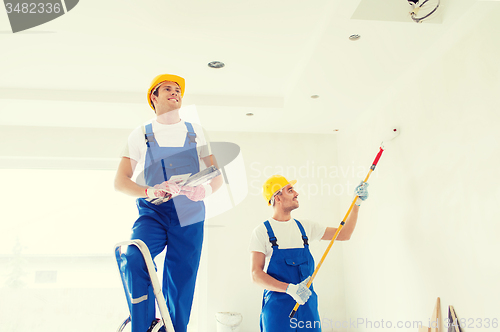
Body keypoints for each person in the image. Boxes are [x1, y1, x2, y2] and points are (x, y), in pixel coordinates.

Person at [115, 74, 223, 332]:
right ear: (154, 96)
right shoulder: (140, 134)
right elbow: (120, 181)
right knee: (134, 257)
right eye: (167, 89)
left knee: (181, 281)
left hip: (190, 213)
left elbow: (217, 177)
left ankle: (173, 329)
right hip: (153, 212)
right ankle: (143, 326)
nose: (175, 92)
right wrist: (150, 189)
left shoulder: (196, 132)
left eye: (178, 90)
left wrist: (204, 190)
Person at [249, 175, 369, 331]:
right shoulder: (262, 232)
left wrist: (356, 203)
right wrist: (290, 289)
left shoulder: (305, 228)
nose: (296, 193)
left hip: (307, 309)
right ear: (277, 197)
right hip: (277, 311)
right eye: (290, 190)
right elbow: (255, 275)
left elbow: (344, 234)